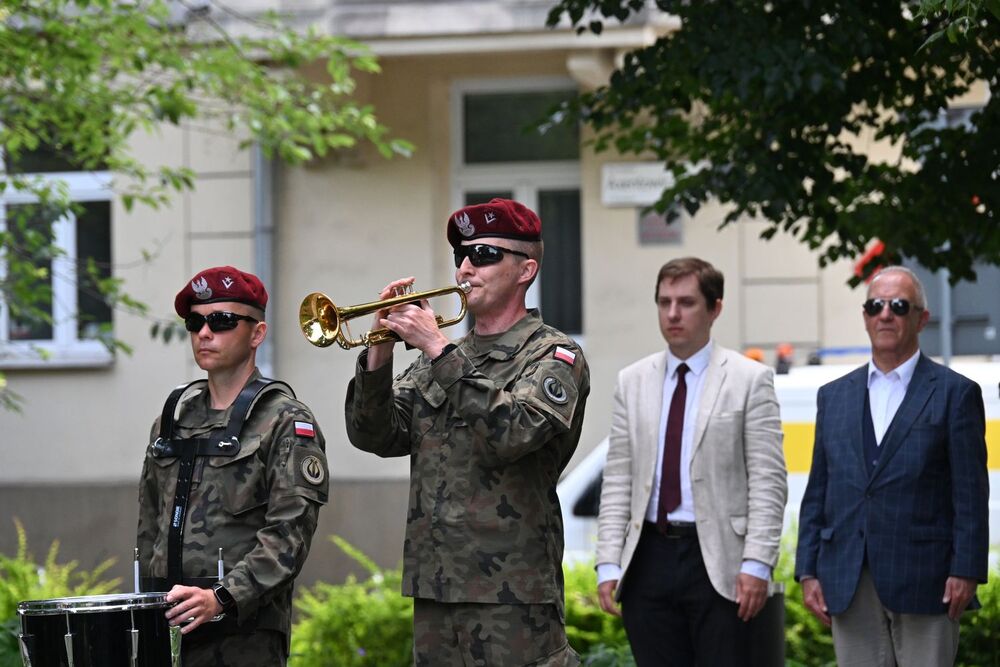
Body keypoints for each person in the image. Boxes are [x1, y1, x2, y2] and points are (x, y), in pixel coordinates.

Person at [345, 198, 590, 666]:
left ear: (525, 270)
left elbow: (514, 432)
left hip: (511, 589)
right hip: (435, 585)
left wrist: (437, 348)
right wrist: (379, 353)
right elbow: (374, 436)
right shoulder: (438, 356)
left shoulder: (553, 355)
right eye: (461, 255)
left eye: (483, 255)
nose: (464, 269)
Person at [595, 257, 787, 666]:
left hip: (718, 560)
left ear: (715, 308)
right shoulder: (633, 381)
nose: (672, 313)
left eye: (686, 302)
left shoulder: (749, 380)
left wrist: (757, 563)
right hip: (647, 558)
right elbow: (618, 479)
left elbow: (769, 482)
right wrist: (608, 562)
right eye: (664, 302)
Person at [795, 265, 989, 666]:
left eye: (899, 305)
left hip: (928, 580)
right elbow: (819, 491)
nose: (886, 314)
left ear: (921, 318)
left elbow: (970, 493)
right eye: (875, 305)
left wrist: (966, 570)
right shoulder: (833, 397)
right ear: (865, 317)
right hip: (848, 577)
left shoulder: (955, 394)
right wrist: (808, 571)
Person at [137, 266, 329, 666]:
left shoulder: (285, 420)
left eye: (221, 321)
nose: (205, 333)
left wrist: (221, 597)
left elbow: (289, 537)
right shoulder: (172, 418)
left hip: (243, 634)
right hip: (165, 626)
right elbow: (150, 524)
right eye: (195, 322)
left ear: (257, 333)